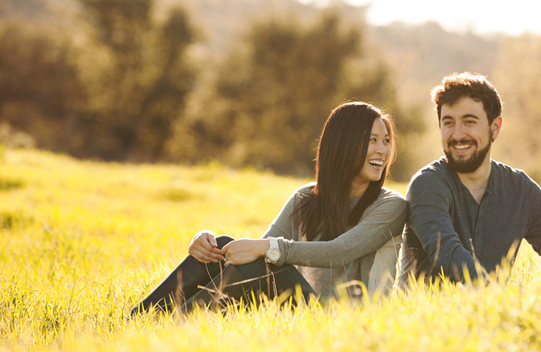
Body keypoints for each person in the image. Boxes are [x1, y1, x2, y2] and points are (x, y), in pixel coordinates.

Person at [131, 102, 407, 315]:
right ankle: (140, 318)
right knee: (224, 245)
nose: (382, 150)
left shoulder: (390, 206)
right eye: (372, 140)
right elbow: (258, 253)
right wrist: (205, 241)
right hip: (295, 307)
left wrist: (267, 248)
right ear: (343, 144)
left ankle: (180, 322)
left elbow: (339, 251)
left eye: (386, 140)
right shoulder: (305, 198)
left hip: (338, 321)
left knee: (258, 261)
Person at [397, 72, 541, 287]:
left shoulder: (520, 190)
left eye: (469, 121)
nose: (458, 134)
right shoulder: (427, 185)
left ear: (495, 128)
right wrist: (509, 304)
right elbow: (450, 257)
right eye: (448, 123)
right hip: (423, 324)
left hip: (489, 321)